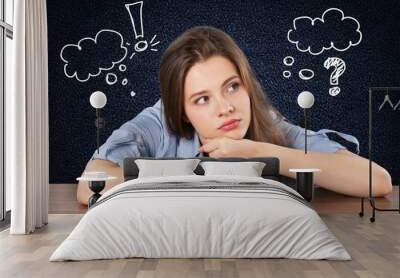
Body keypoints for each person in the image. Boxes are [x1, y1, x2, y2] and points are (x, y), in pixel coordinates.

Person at [77, 26, 392, 205]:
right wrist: (199, 177)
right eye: (202, 99)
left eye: (231, 87)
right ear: (182, 111)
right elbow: (89, 183)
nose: (225, 107)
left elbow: (378, 181)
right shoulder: (156, 124)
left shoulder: (267, 121)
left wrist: (257, 152)